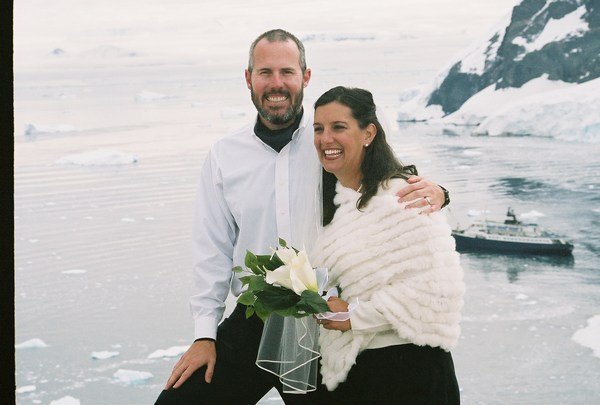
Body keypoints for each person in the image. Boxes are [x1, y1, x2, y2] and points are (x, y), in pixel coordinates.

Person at [155, 30, 449, 404]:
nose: (276, 84)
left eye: (287, 72)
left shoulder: (330, 140)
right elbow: (211, 250)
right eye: (265, 72)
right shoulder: (224, 155)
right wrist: (204, 335)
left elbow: (388, 175)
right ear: (249, 78)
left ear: (305, 77)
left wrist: (440, 192)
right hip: (256, 316)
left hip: (323, 317)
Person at [310, 86, 464, 404]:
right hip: (359, 375)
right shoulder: (333, 206)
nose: (326, 139)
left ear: (368, 133)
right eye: (318, 129)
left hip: (412, 374)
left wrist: (353, 316)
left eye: (339, 127)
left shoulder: (404, 195)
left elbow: (437, 291)